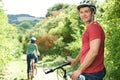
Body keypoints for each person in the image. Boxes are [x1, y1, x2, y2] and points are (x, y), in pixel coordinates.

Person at [68, 0, 106, 80]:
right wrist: (75, 60)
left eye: (86, 11)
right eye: (81, 12)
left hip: (92, 73)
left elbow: (93, 52)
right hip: (88, 71)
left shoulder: (94, 27)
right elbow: (84, 49)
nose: (83, 15)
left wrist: (79, 70)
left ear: (92, 12)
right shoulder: (88, 29)